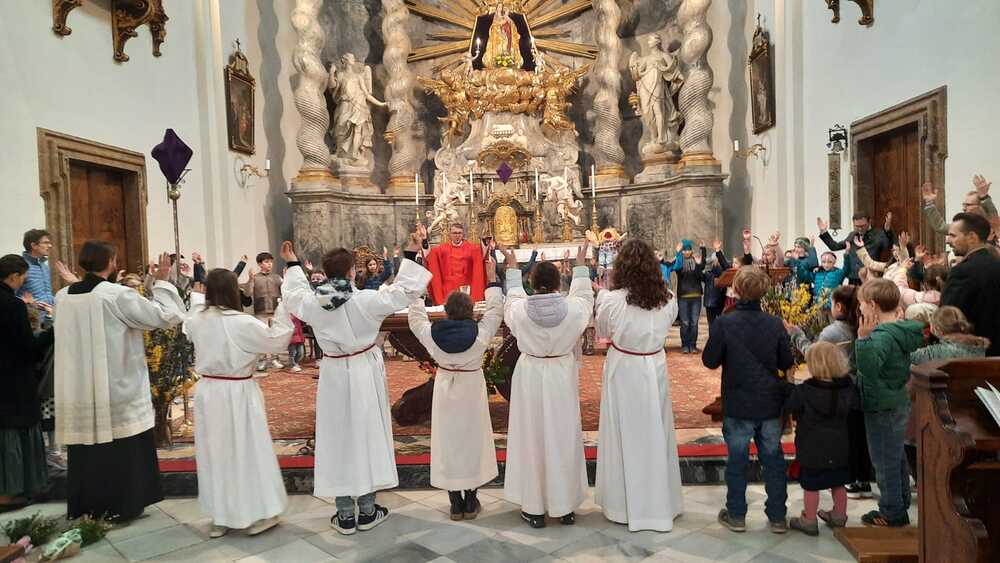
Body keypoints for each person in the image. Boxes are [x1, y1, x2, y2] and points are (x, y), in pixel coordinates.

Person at [279, 241, 431, 535]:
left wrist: (293, 263)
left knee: (337, 438)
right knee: (366, 435)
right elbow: (404, 292)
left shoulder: (313, 303)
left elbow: (292, 295)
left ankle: (344, 514)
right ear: (351, 272)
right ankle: (368, 509)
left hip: (334, 373)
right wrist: (411, 255)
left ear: (326, 273)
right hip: (363, 371)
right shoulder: (366, 300)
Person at [55, 242, 184, 521]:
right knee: (122, 445)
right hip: (116, 386)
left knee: (87, 449)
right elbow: (165, 317)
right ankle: (123, 505)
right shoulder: (117, 295)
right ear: (111, 262)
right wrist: (162, 283)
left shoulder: (63, 296)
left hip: (79, 388)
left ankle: (87, 504)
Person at [183, 269, 293, 538]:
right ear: (234, 291)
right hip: (237, 392)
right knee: (248, 450)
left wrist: (195, 295)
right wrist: (284, 306)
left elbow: (189, 318)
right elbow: (277, 340)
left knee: (215, 452)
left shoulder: (198, 319)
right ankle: (261, 513)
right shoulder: (242, 323)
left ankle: (221, 516)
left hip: (208, 391)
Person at [502, 241, 593, 529]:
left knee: (531, 437)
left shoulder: (520, 310)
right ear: (558, 283)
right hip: (560, 374)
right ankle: (564, 507)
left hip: (531, 372)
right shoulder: (573, 309)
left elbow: (512, 301)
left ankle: (534, 508)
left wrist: (512, 270)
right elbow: (585, 298)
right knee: (562, 436)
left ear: (532, 283)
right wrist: (580, 266)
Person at [594, 239, 682, 532]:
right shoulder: (668, 298)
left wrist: (604, 296)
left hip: (624, 367)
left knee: (623, 432)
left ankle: (623, 506)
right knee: (656, 430)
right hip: (654, 365)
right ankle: (660, 504)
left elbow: (603, 331)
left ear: (621, 268)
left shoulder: (611, 300)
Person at [407, 260, 503, 521]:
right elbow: (496, 310)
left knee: (448, 440)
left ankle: (454, 503)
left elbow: (415, 319)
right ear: (471, 311)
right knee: (472, 439)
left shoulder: (432, 334)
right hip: (471, 389)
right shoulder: (481, 333)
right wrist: (492, 279)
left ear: (446, 312)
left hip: (446, 388)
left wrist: (418, 291)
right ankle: (470, 501)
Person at [702, 266, 794, 534]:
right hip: (769, 403)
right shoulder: (774, 323)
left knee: (737, 460)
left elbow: (709, 360)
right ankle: (778, 517)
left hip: (739, 402)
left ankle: (737, 514)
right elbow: (786, 361)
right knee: (774, 461)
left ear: (737, 290)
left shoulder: (725, 323)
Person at [855, 278, 924, 527]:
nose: (860, 309)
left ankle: (891, 511)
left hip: (881, 404)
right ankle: (900, 501)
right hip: (896, 400)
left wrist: (863, 340)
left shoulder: (880, 337)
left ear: (873, 305)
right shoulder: (897, 330)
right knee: (895, 456)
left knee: (884, 460)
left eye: (862, 304)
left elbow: (869, 368)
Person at [0, 255, 55, 512]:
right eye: (22, 277)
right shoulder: (13, 305)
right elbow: (27, 349)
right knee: (14, 435)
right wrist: (51, 334)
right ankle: (11, 492)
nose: (23, 282)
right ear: (13, 276)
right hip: (13, 382)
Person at [786, 342, 856, 536]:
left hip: (812, 447)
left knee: (811, 485)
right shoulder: (847, 388)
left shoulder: (805, 390)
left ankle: (809, 519)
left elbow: (790, 406)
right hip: (840, 445)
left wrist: (790, 383)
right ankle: (839, 515)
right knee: (838, 482)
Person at [940, 212, 1000, 356]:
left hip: (972, 358)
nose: (948, 241)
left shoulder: (962, 272)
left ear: (972, 237)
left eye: (953, 235)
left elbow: (946, 320)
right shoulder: (996, 265)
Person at [818, 213, 893, 285]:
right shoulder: (853, 234)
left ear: (869, 221)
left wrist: (888, 231)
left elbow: (889, 246)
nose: (860, 228)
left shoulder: (879, 234)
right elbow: (835, 246)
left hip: (870, 277)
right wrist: (824, 232)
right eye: (857, 226)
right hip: (853, 278)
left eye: (862, 226)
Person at [425, 223, 486, 305]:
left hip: (465, 288)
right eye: (454, 233)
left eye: (459, 233)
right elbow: (430, 256)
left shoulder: (472, 249)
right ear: (450, 234)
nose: (457, 236)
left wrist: (484, 241)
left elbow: (482, 258)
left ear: (463, 234)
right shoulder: (442, 249)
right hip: (448, 289)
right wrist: (424, 239)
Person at [921, 176, 997, 235]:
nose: (964, 208)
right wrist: (929, 202)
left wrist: (984, 197)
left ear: (979, 207)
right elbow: (941, 226)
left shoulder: (989, 225)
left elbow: (994, 218)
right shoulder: (963, 225)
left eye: (968, 205)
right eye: (963, 205)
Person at [665, 240, 705, 354]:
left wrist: (702, 251)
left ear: (691, 251)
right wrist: (678, 253)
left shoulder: (696, 260)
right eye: (684, 250)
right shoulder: (679, 262)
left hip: (696, 295)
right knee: (685, 322)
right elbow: (676, 267)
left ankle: (692, 345)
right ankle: (685, 345)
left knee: (694, 322)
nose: (686, 252)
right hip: (683, 296)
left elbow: (700, 274)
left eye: (688, 250)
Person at [246, 252, 284, 371]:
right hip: (260, 311)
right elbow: (247, 293)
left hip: (275, 311)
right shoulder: (255, 278)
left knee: (275, 336)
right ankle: (262, 360)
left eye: (271, 262)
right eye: (267, 262)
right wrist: (250, 280)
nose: (270, 264)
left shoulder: (277, 277)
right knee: (262, 336)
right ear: (259, 264)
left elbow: (285, 291)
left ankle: (275, 358)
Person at [703, 240, 730, 328]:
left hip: (719, 301)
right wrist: (703, 250)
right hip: (711, 302)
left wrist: (718, 251)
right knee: (712, 325)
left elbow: (724, 267)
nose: (716, 262)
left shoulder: (724, 272)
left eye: (718, 260)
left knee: (716, 325)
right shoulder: (708, 273)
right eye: (714, 260)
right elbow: (699, 273)